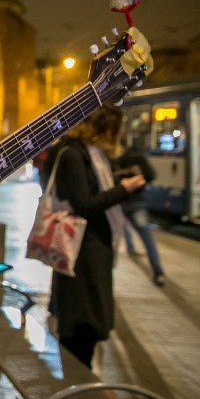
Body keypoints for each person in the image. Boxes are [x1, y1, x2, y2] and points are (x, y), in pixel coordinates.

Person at [41, 105, 146, 369]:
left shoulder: (88, 154)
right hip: (81, 254)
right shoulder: (73, 155)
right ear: (102, 128)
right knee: (79, 332)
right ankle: (77, 395)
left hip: (89, 252)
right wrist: (123, 189)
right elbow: (83, 203)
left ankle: (78, 390)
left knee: (84, 331)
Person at [114, 141, 165, 285]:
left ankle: (107, 277)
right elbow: (151, 175)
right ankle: (158, 270)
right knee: (147, 237)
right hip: (137, 201)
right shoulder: (140, 159)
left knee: (116, 236)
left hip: (121, 201)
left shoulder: (119, 160)